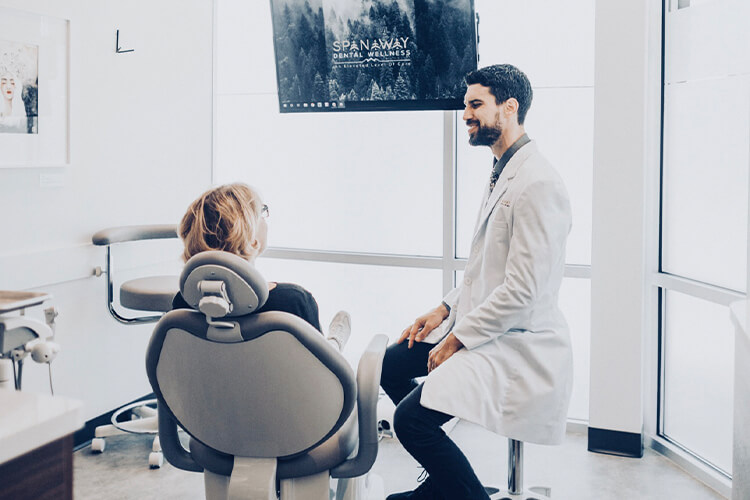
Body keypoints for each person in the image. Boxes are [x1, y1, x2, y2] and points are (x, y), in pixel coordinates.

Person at [381, 64, 573, 499]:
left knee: (411, 421)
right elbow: (488, 265)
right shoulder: (503, 170)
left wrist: (459, 338)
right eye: (465, 105)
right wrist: (445, 308)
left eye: (475, 105)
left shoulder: (538, 182)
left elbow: (524, 290)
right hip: (483, 325)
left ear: (509, 108)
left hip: (516, 341)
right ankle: (445, 475)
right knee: (390, 365)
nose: (464, 113)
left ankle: (464, 492)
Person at [172, 183, 351, 351]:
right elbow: (320, 370)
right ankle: (334, 343)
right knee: (328, 351)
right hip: (285, 384)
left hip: (215, 384)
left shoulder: (183, 302)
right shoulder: (292, 301)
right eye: (261, 212)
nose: (265, 218)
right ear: (252, 239)